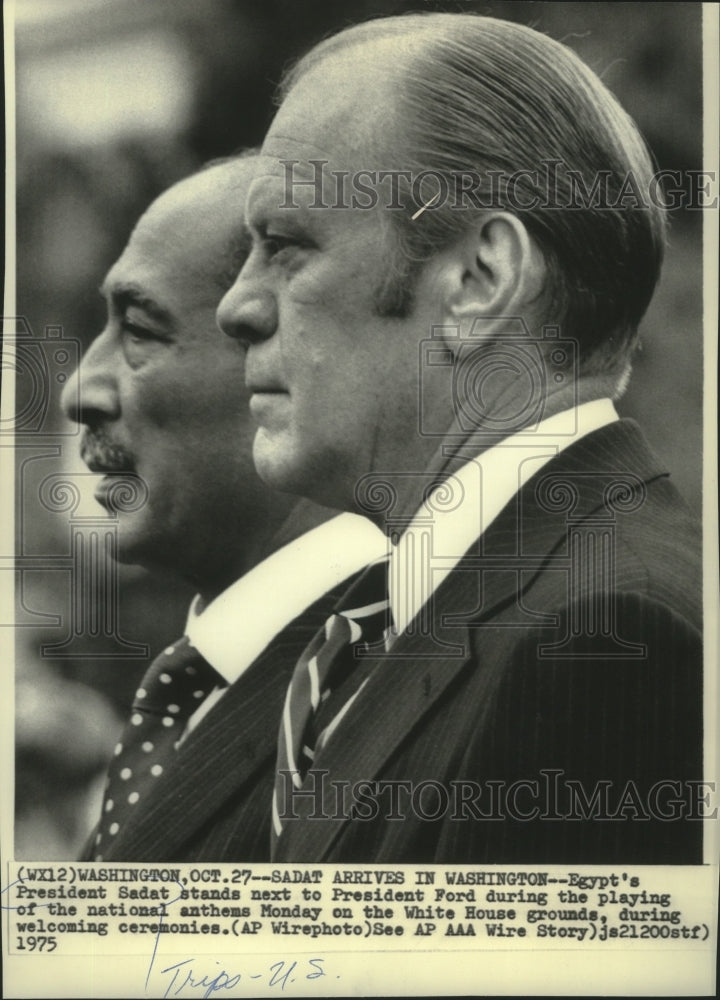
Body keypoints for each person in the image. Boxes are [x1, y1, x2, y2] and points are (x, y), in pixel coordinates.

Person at [217, 14, 704, 864]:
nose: (237, 306)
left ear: (480, 280)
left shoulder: (601, 638)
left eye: (288, 247)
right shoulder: (391, 621)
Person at [60, 155, 387, 862]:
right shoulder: (203, 689)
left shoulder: (384, 696)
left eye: (140, 330)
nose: (80, 390)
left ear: (284, 353)